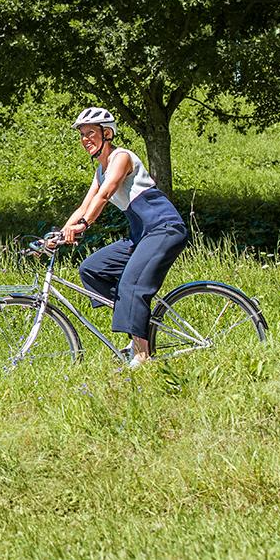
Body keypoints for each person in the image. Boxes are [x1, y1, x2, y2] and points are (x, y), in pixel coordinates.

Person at [57, 107, 189, 367]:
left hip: (163, 227)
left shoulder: (121, 157)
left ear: (107, 133)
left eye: (90, 133)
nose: (85, 139)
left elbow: (105, 195)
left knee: (131, 284)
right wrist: (57, 236)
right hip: (142, 233)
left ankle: (141, 355)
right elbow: (84, 206)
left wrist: (83, 225)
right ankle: (138, 322)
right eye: (82, 135)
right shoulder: (100, 170)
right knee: (92, 269)